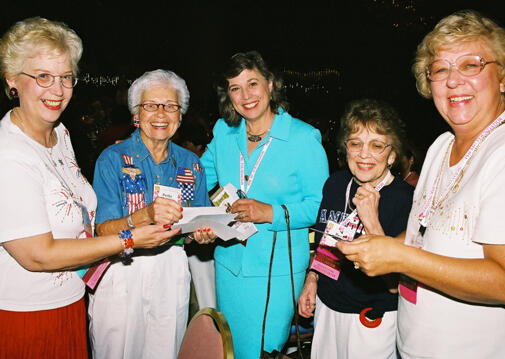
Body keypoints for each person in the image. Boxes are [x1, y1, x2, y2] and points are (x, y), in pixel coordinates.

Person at [337, 10, 505, 358]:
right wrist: (381, 246)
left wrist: (400, 257)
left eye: (471, 65)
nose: (453, 80)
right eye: (440, 69)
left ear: (503, 77)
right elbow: (420, 233)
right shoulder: (441, 146)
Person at [0, 17, 179, 358]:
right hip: (26, 316)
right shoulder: (9, 153)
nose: (58, 90)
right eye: (43, 76)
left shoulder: (60, 135)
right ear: (12, 79)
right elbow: (38, 255)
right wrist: (129, 239)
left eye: (66, 77)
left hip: (69, 302)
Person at [201, 51, 329, 358]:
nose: (245, 96)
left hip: (278, 272)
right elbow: (197, 177)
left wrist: (268, 212)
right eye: (235, 87)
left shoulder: (303, 138)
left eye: (253, 83)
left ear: (271, 85)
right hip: (229, 265)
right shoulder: (224, 132)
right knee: (231, 350)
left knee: (264, 350)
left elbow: (319, 208)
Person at [88, 69, 214, 359]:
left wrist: (202, 235)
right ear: (136, 114)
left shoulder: (191, 164)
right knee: (115, 351)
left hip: (171, 269)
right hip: (122, 268)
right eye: (150, 105)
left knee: (165, 350)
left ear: (180, 116)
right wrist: (144, 215)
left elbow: (196, 227)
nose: (161, 113)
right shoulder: (112, 159)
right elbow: (102, 230)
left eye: (170, 106)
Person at [298, 99, 413, 359]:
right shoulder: (336, 184)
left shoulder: (406, 200)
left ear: (392, 154)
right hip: (328, 309)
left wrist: (371, 221)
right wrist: (312, 279)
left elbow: (396, 285)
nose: (364, 154)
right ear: (345, 148)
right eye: (355, 143)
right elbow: (325, 240)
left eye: (376, 145)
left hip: (371, 320)